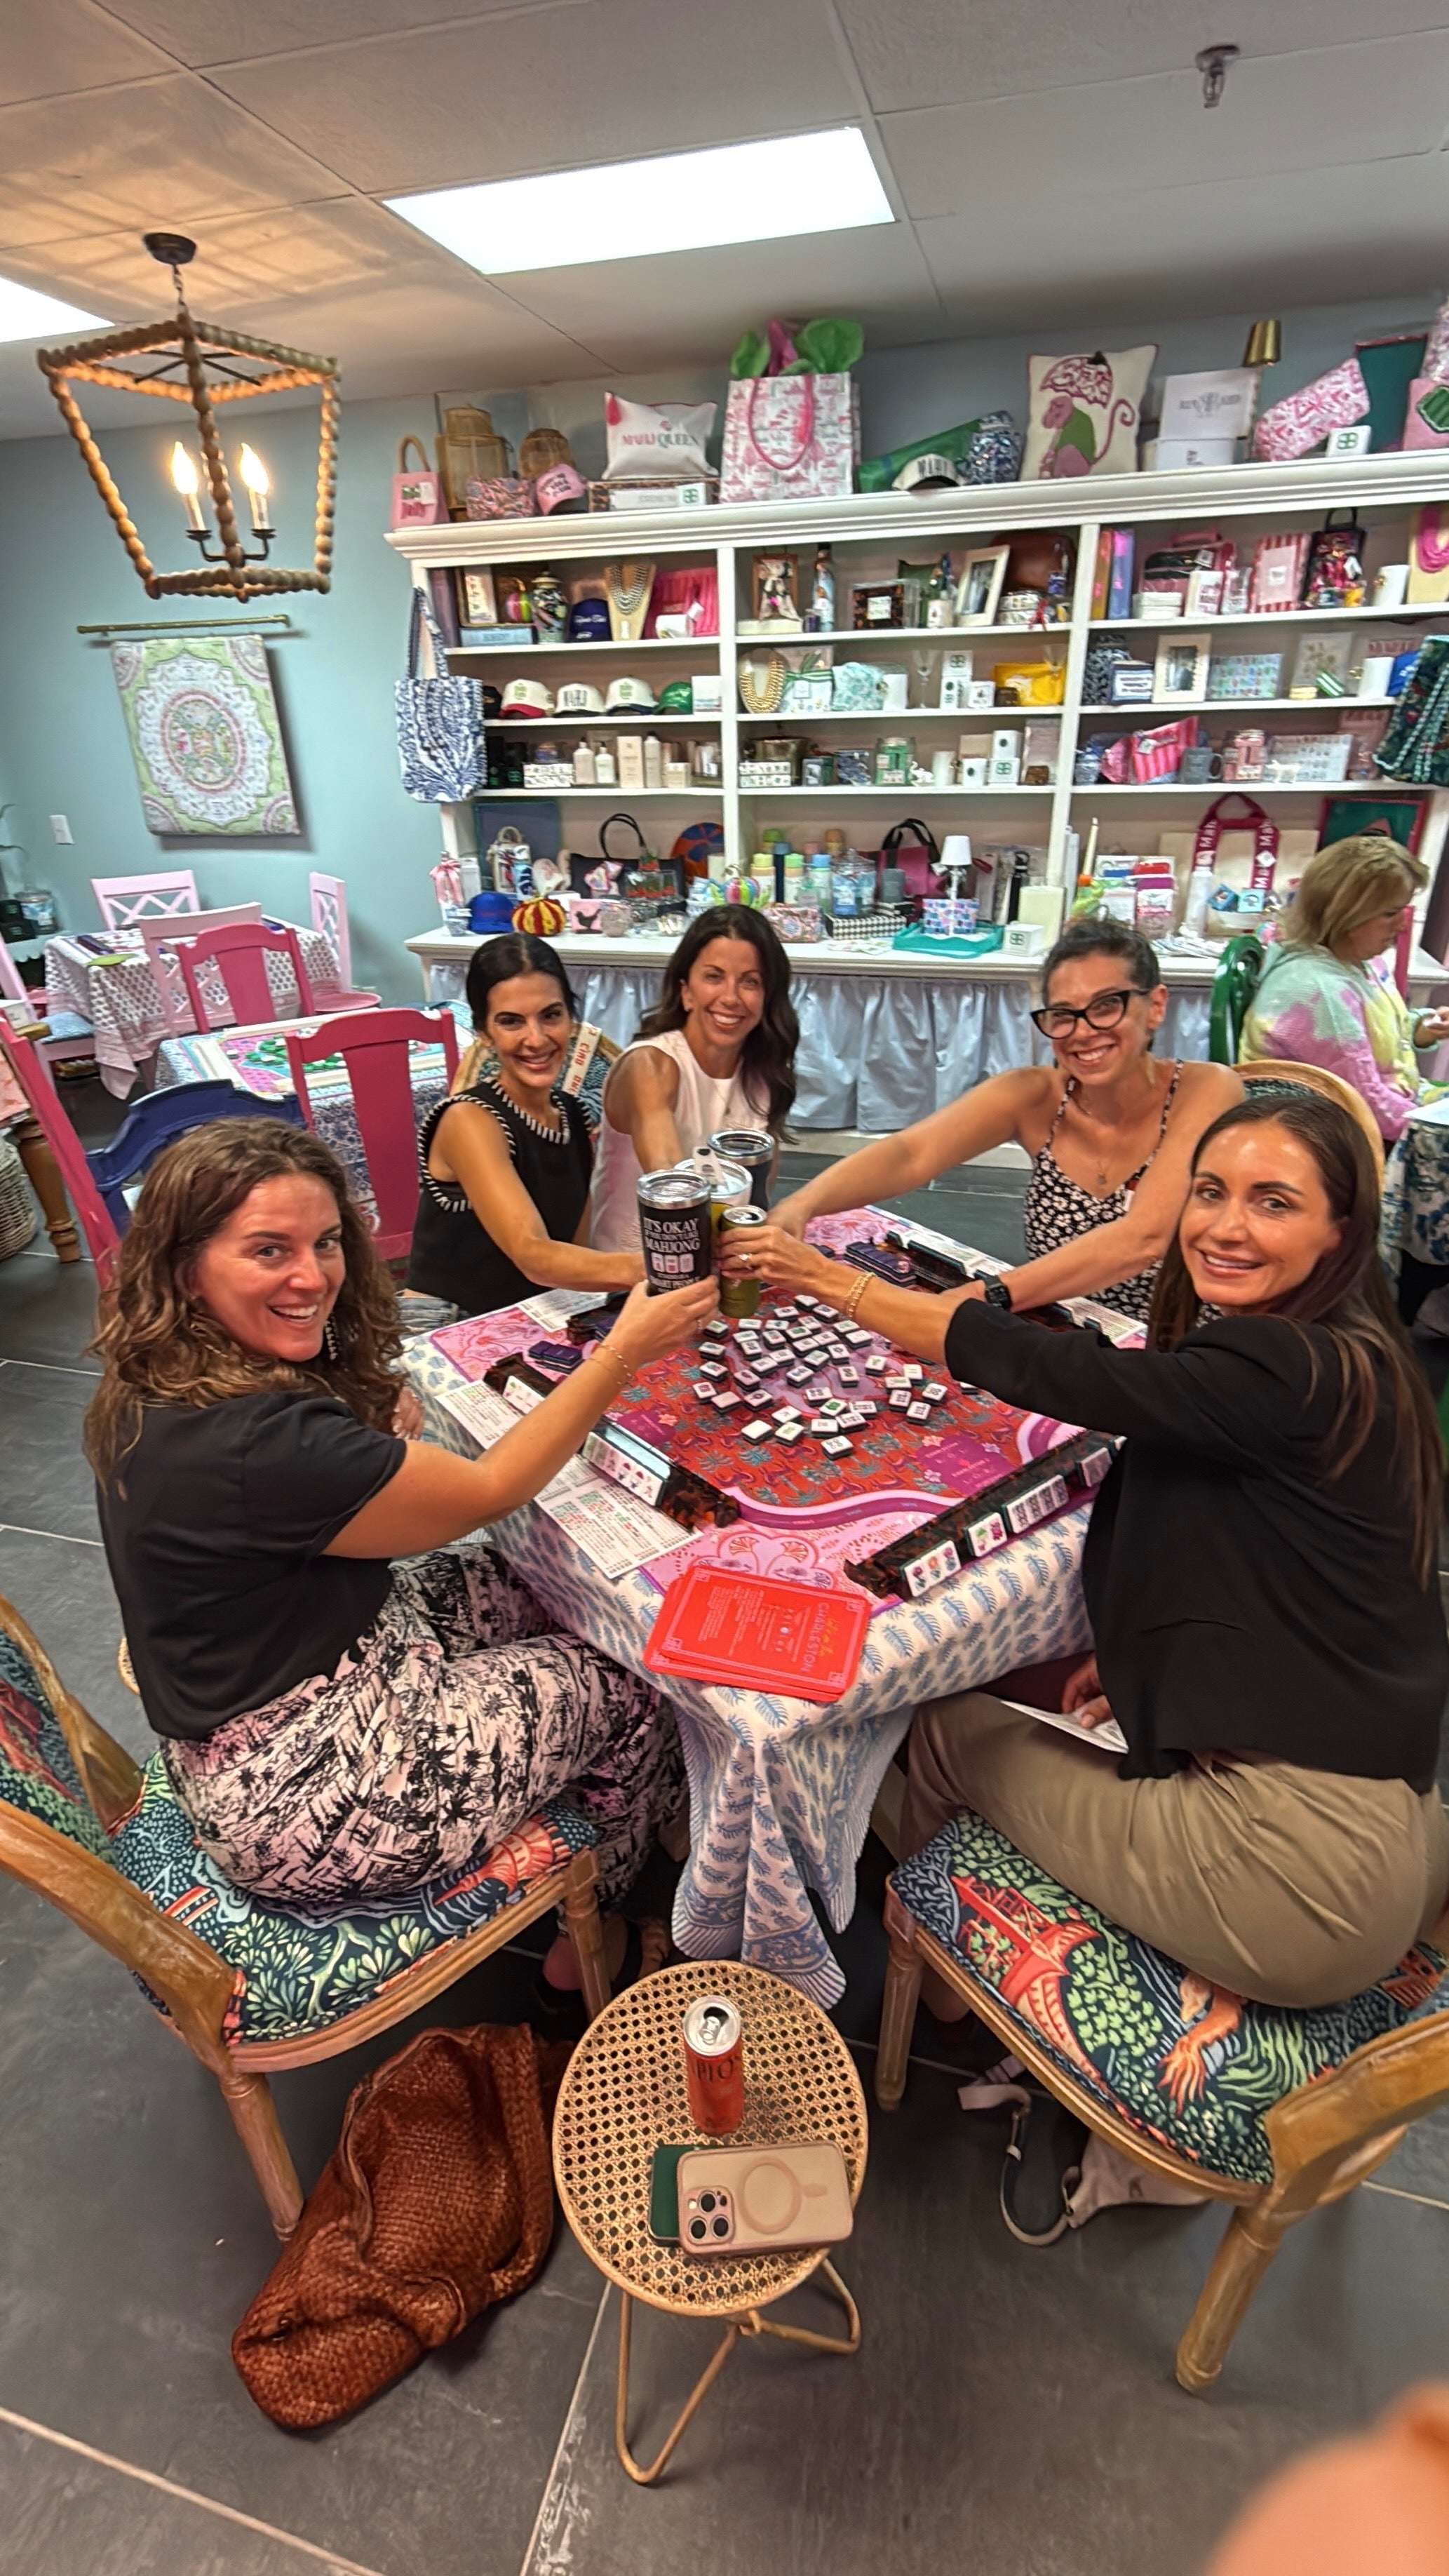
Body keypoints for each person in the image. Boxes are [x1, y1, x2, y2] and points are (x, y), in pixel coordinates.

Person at [729, 1093, 1448, 2008]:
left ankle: (952, 1995)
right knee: (1039, 1697)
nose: (1224, 1227)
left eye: (1272, 1202)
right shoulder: (1355, 1358)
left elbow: (1057, 1371)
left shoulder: (1282, 1370)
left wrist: (828, 1279)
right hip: (1396, 1820)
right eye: (1209, 1192)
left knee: (936, 1728)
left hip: (1299, 1881)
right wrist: (1148, 1671)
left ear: (1339, 1232)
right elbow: (1282, 1585)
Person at [88, 1120, 717, 1997]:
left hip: (283, 1697)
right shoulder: (261, 1442)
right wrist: (621, 1352)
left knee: (544, 1581)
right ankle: (595, 1930)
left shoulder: (163, 1372)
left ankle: (597, 1780)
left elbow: (298, 1483)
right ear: (186, 1263)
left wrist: (352, 1408)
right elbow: (492, 1486)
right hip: (313, 1792)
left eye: (325, 1243)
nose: (312, 1276)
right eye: (269, 1251)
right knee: (627, 1676)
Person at [769, 918, 1241, 1322]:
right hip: (1060, 1328)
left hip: (1182, 1350)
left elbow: (1144, 1237)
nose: (1083, 1031)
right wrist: (800, 1206)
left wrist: (985, 1295)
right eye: (1063, 1015)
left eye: (1106, 1006)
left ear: (1155, 1005)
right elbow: (910, 1153)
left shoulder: (1208, 1089)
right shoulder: (1033, 1096)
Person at [407, 932, 642, 1317]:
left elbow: (575, 1252)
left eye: (551, 1015)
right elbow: (534, 1255)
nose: (536, 1040)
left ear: (571, 1018)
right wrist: (660, 1267)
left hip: (531, 1314)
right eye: (511, 1022)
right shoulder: (468, 1120)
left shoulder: (575, 1118)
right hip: (443, 1321)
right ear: (484, 1033)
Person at [590, 906, 798, 1252]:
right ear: (686, 991)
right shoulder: (650, 1066)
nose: (731, 998)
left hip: (721, 1267)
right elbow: (674, 1192)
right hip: (630, 1279)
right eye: (714, 977)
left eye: (750, 981)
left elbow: (755, 1201)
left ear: (767, 998)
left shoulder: (763, 1076)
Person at [1241, 834, 1449, 1142]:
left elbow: (1384, 1033)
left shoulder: (1360, 961)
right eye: (1390, 914)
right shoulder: (1317, 992)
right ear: (1345, 914)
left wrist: (1422, 1028)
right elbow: (1366, 1107)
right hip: (1329, 1139)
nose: (1403, 925)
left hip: (1381, 1109)